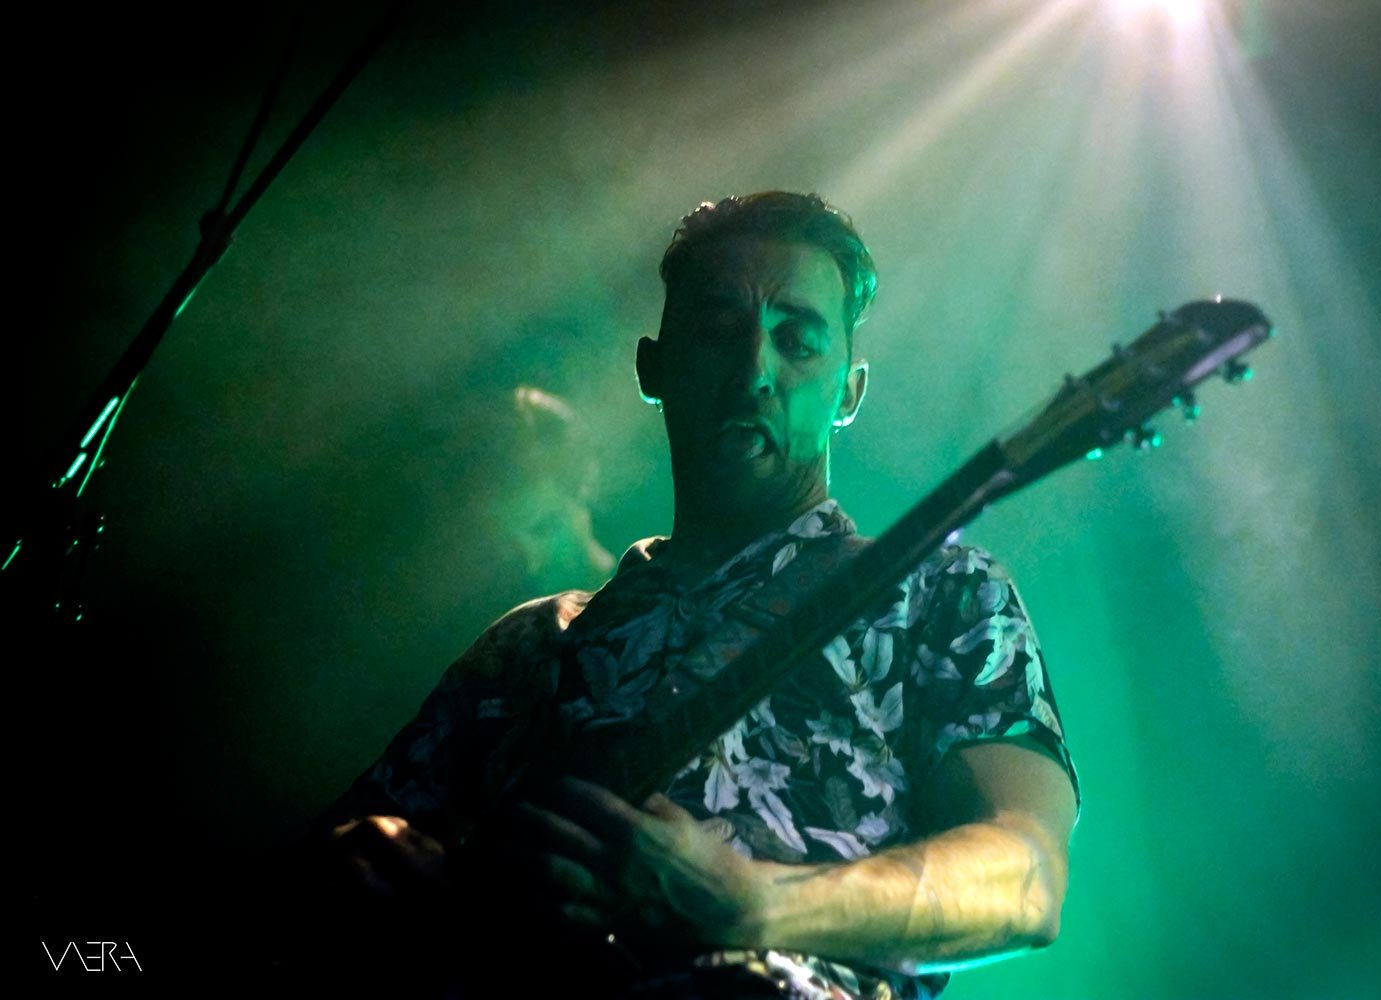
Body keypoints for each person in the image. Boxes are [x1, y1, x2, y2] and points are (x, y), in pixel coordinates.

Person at [309, 192, 1080, 999]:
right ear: (653, 368)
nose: (754, 373)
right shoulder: (532, 643)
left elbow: (1027, 878)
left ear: (849, 393)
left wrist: (752, 905)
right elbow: (317, 875)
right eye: (718, 329)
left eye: (798, 341)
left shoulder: (941, 593)